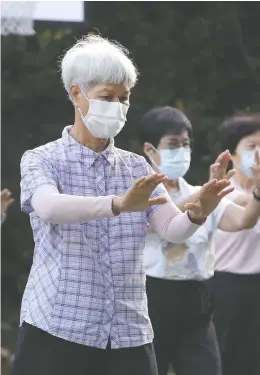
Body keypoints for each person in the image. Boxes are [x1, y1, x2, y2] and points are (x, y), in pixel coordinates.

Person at [12, 35, 232, 375]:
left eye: (124, 98)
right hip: (59, 325)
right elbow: (49, 207)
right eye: (107, 97)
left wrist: (198, 212)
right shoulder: (42, 160)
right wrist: (117, 204)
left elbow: (172, 230)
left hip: (128, 330)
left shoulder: (136, 167)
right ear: (76, 94)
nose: (117, 106)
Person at [140, 107, 260, 375]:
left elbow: (244, 221)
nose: (181, 151)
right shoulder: (138, 194)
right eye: (173, 144)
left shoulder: (200, 193)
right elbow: (158, 217)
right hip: (151, 296)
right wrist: (201, 200)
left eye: (185, 144)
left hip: (197, 299)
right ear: (150, 150)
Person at [208, 114, 260, 375]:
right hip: (226, 286)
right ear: (233, 156)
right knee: (225, 357)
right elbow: (246, 208)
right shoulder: (221, 190)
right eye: (252, 146)